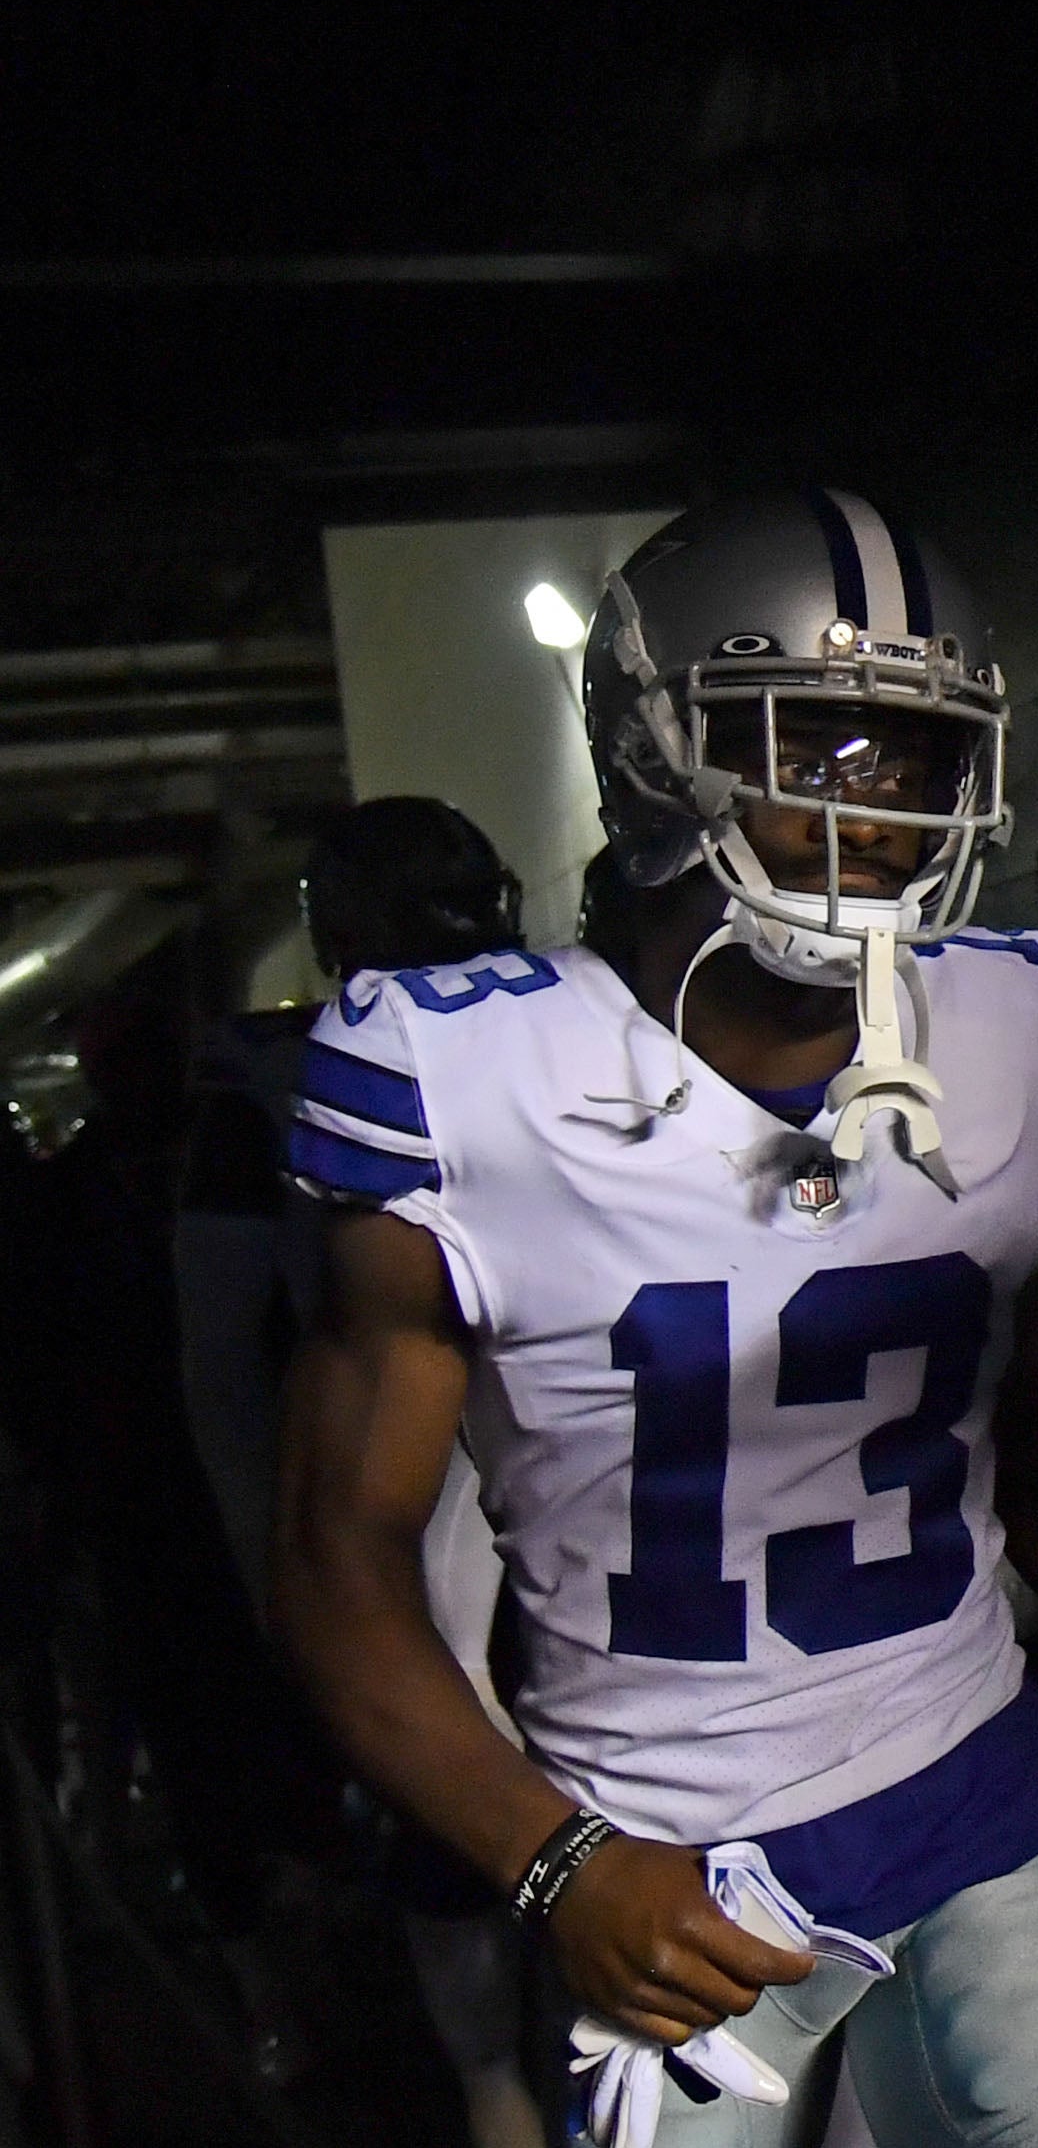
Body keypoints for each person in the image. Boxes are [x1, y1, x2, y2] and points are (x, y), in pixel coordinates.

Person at [273, 491, 1038, 2148]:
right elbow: (340, 1562)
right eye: (817, 746)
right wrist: (553, 1860)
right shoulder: (460, 1082)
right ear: (656, 756)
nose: (882, 808)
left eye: (919, 757)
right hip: (662, 1844)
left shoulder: (1022, 1026)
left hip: (976, 1784)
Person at [182, 796, 545, 2148]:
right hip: (460, 1473)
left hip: (482, 1484)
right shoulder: (579, 1022)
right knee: (480, 1832)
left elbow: (219, 1356)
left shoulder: (297, 1070)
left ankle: (508, 2088)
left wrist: (277, 1561)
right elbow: (229, 1348)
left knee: (487, 1834)